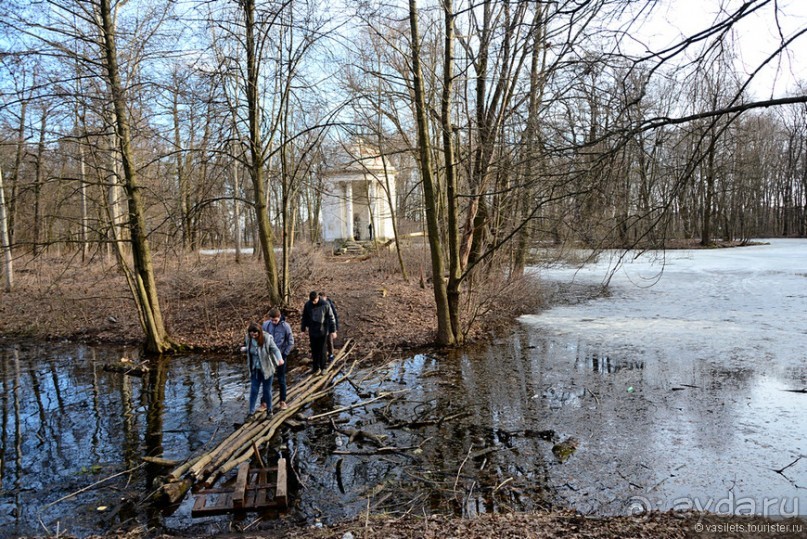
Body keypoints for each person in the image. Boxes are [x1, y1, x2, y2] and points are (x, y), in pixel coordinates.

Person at [240, 322, 283, 418]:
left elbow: (275, 349)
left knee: (266, 390)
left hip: (267, 369)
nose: (253, 336)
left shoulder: (267, 338)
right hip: (255, 369)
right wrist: (246, 348)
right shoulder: (248, 338)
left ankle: (269, 410)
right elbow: (253, 349)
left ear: (259, 332)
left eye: (255, 334)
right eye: (251, 334)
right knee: (254, 390)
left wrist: (280, 359)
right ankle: (251, 413)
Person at [262, 308, 294, 410]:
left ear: (279, 317)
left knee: (281, 379)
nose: (273, 322)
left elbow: (291, 342)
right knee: (266, 379)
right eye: (272, 320)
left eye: (275, 320)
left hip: (281, 356)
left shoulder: (286, 326)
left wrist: (284, 354)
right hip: (268, 356)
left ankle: (282, 401)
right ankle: (264, 403)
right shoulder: (266, 325)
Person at [300, 290, 336, 375]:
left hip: (323, 330)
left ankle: (323, 367)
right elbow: (304, 317)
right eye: (312, 301)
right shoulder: (308, 305)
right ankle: (316, 367)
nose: (313, 302)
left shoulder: (325, 304)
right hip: (312, 330)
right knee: (314, 349)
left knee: (322, 350)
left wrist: (333, 330)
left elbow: (331, 317)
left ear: (318, 297)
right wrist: (303, 328)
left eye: (315, 300)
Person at [319, 292, 339, 363]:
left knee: (329, 341)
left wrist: (335, 328)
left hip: (329, 326)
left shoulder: (329, 304)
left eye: (322, 298)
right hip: (321, 326)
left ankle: (331, 354)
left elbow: (334, 316)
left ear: (325, 297)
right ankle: (322, 356)